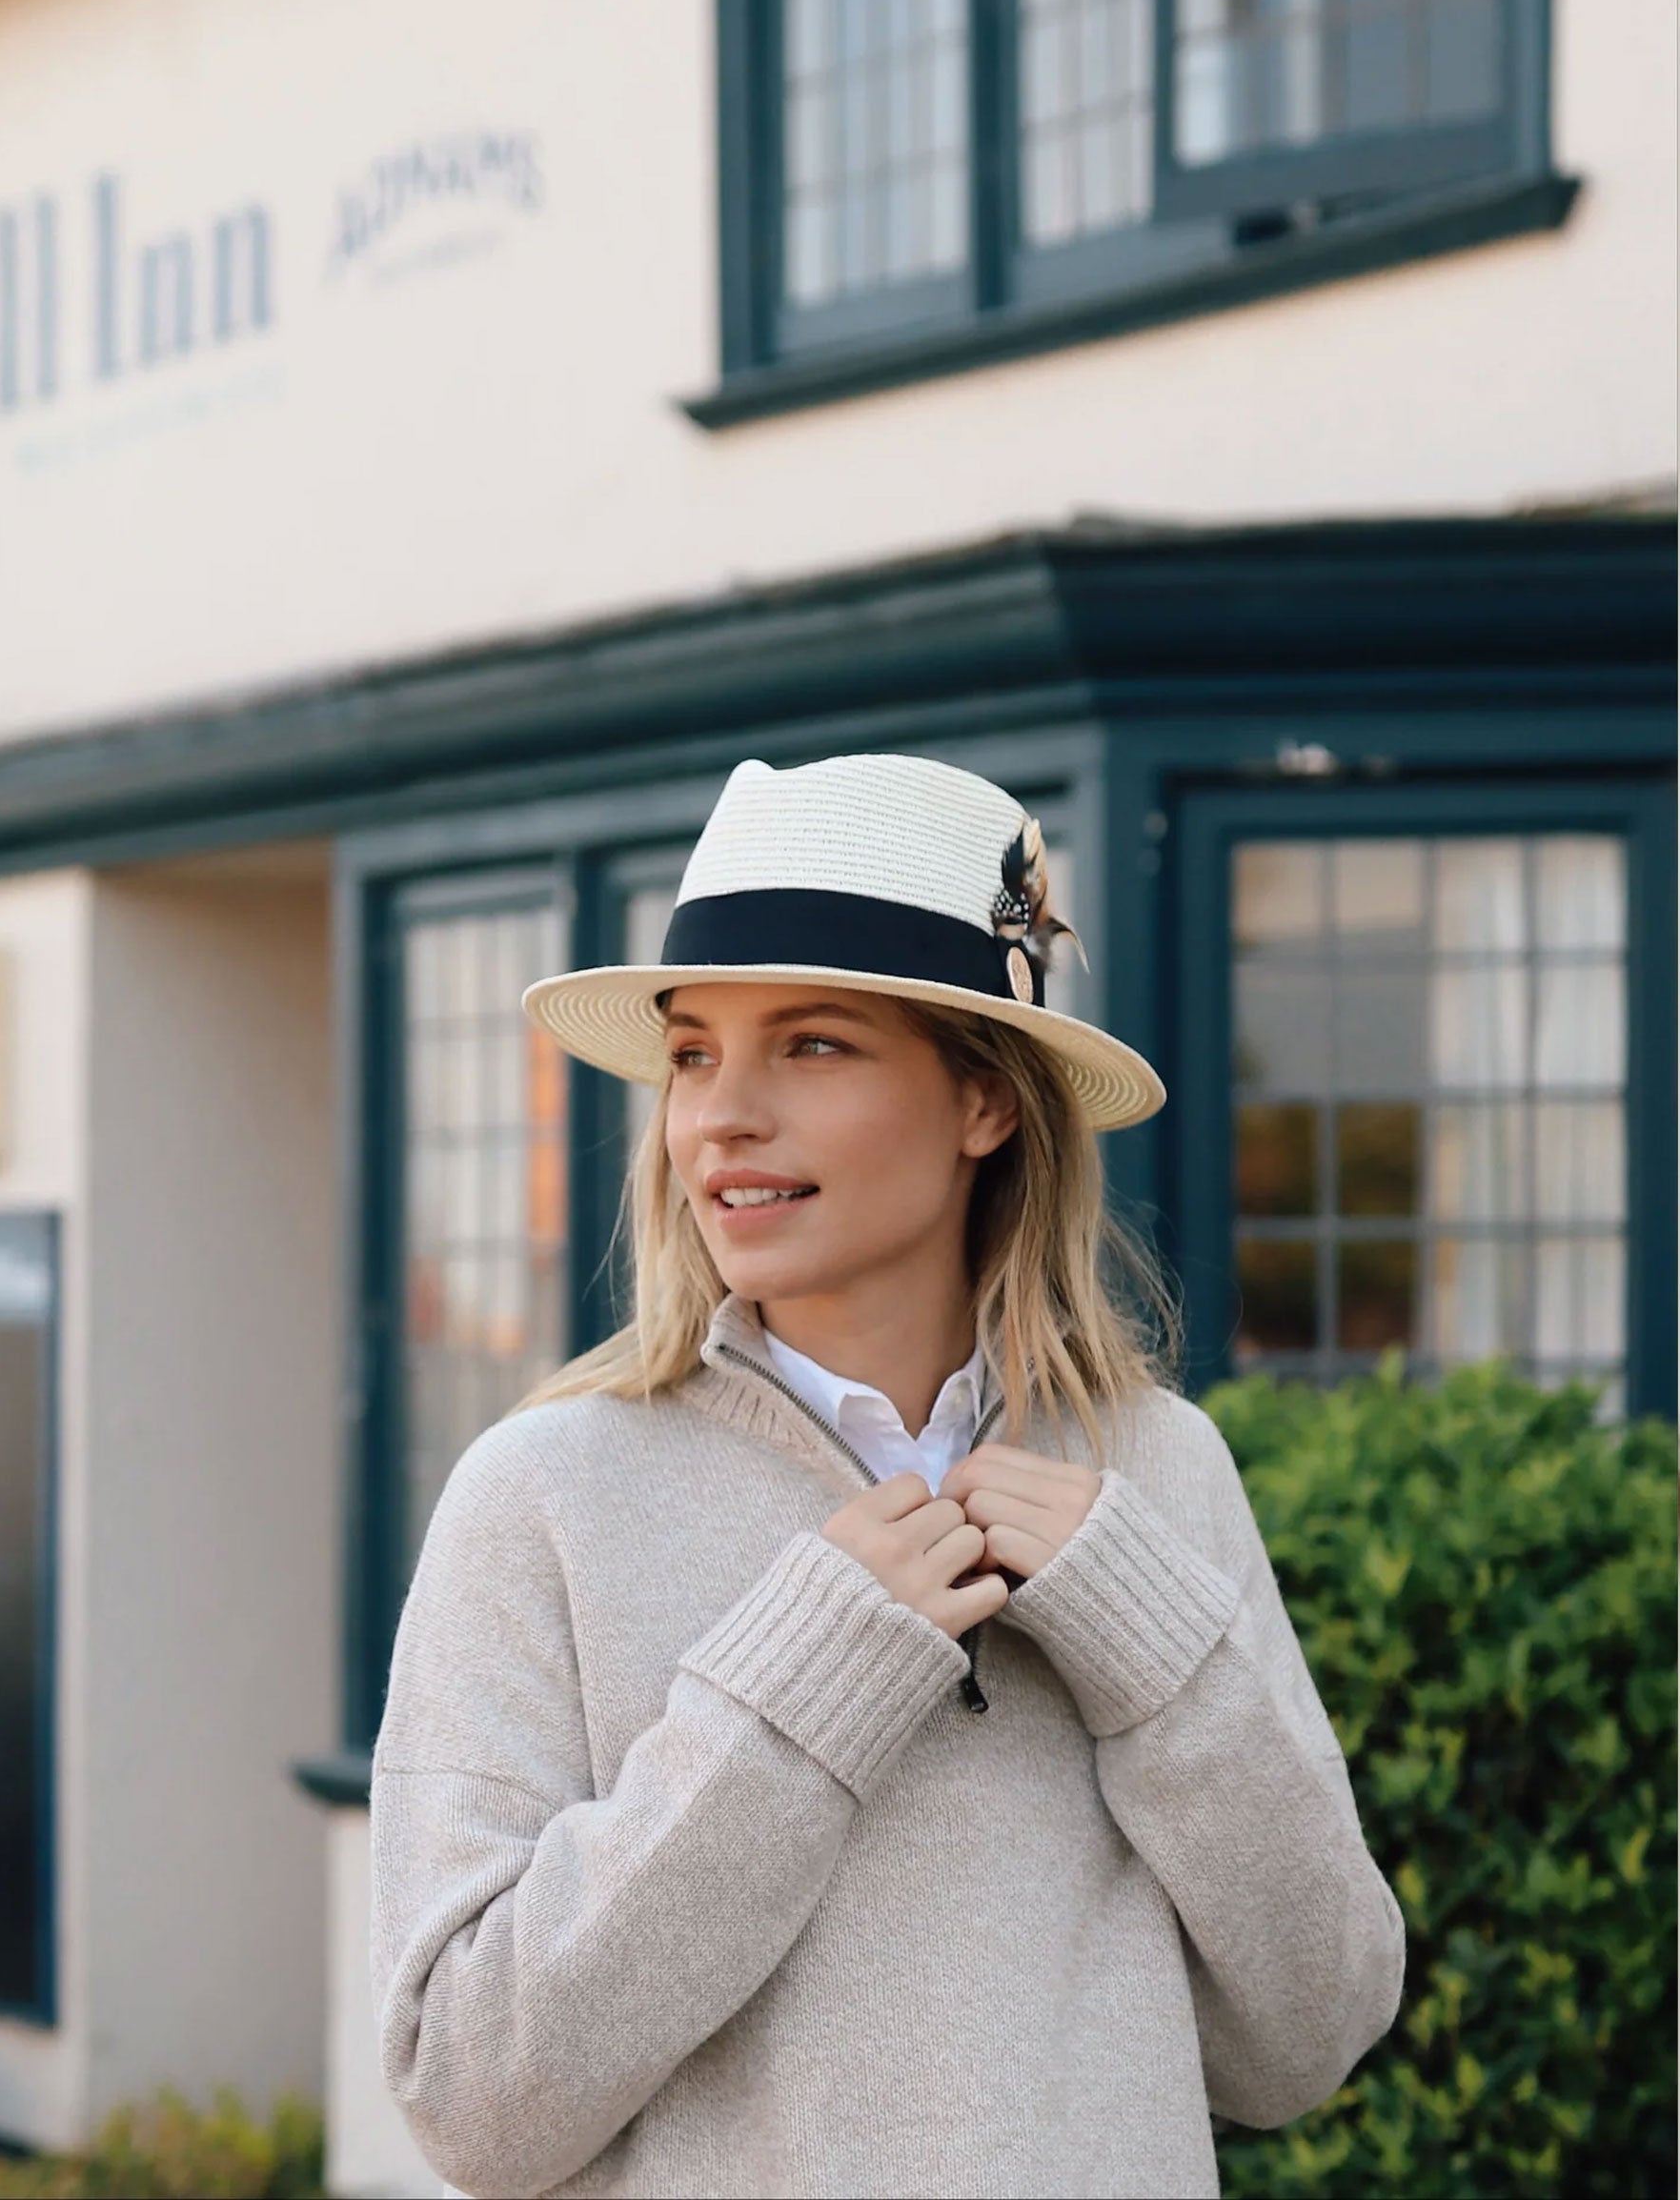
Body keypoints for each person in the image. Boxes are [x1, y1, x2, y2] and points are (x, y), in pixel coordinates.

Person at [370, 752, 1403, 2200]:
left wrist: (1157, 1656)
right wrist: (796, 1694)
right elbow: (471, 2098)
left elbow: (1307, 2033)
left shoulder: (1160, 1471)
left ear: (984, 1103)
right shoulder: (541, 1492)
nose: (721, 1115)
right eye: (692, 1053)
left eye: (813, 1044)